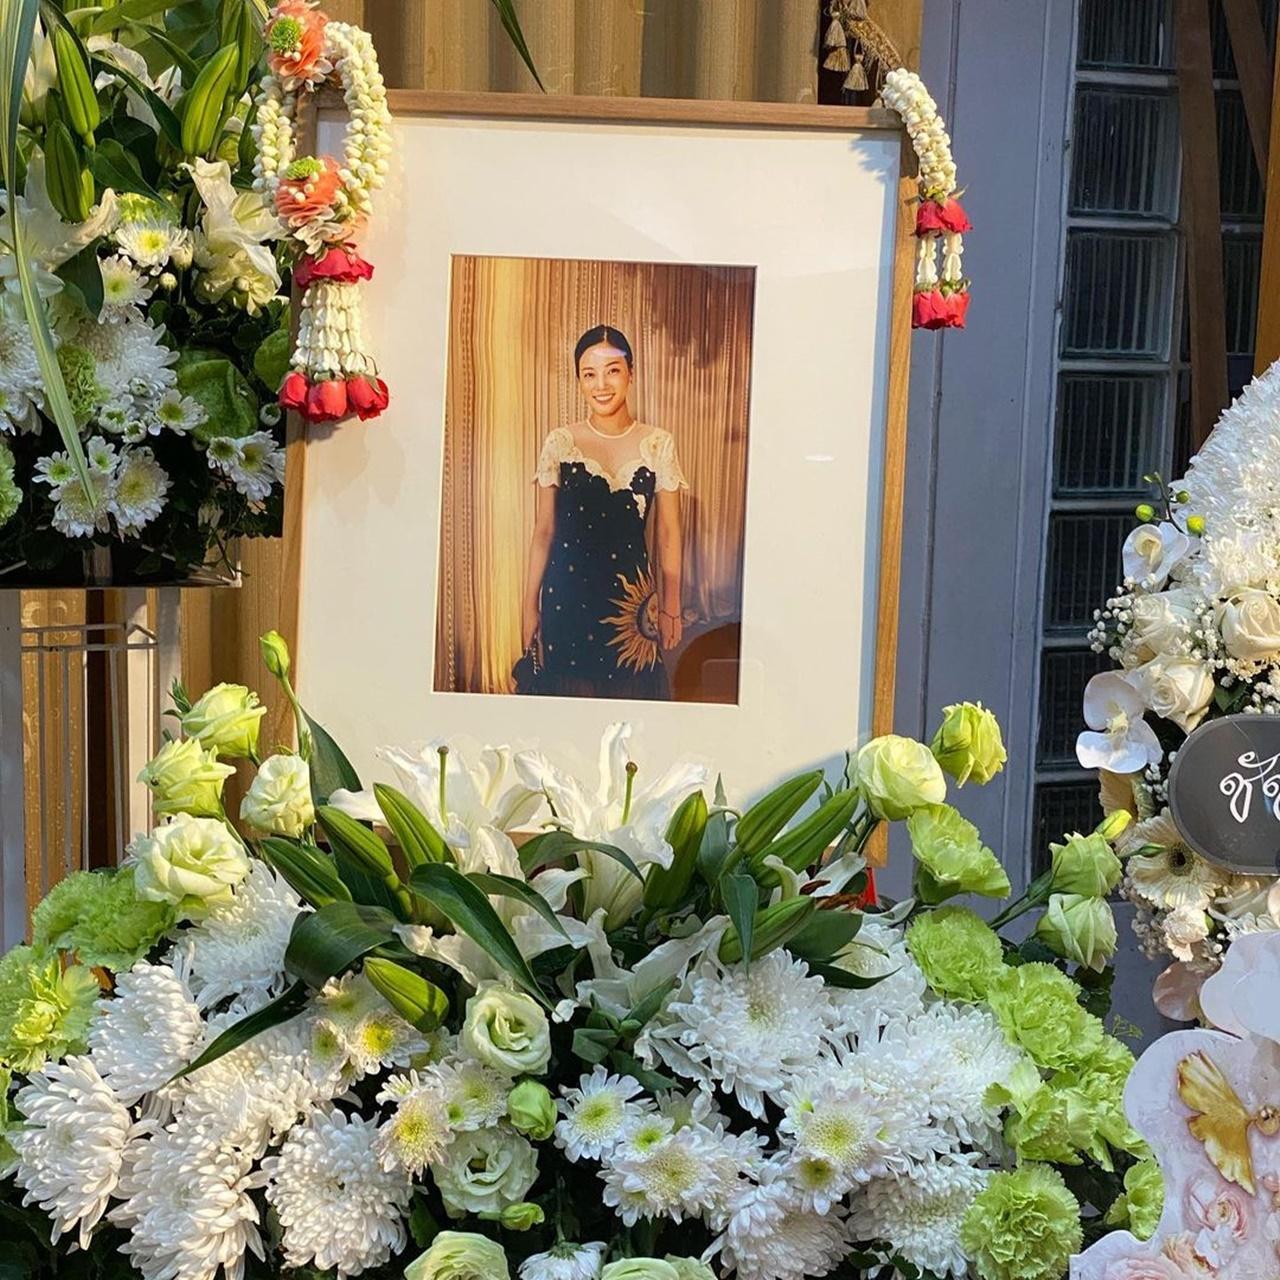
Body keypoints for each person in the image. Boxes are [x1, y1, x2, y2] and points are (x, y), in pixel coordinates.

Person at [520, 324, 686, 700]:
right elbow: (543, 530)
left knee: (633, 714)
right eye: (589, 374)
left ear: (631, 373)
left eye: (612, 370)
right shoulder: (560, 442)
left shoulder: (658, 443)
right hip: (566, 600)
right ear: (579, 381)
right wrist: (529, 606)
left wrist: (671, 607)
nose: (601, 385)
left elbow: (668, 532)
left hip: (632, 611)